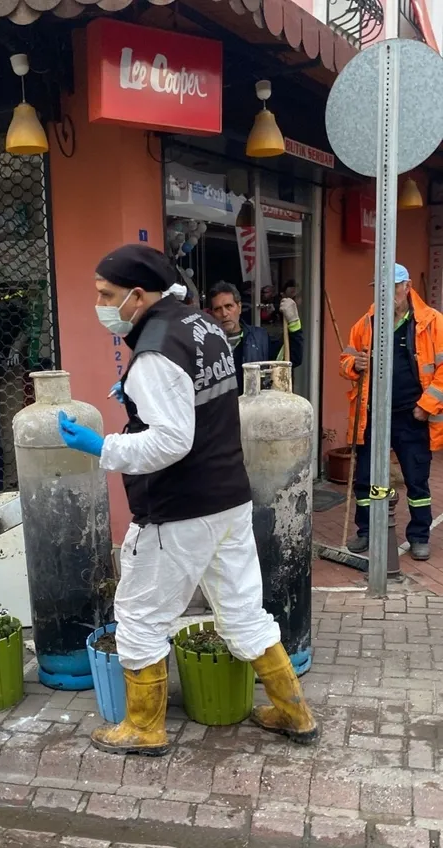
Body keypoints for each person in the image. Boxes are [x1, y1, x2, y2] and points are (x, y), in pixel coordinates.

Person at [58, 244, 317, 757]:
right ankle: (295, 713)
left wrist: (102, 446)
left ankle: (144, 726)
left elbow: (171, 440)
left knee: (138, 615)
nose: (100, 303)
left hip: (176, 512)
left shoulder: (155, 349)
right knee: (243, 609)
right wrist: (136, 393)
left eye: (106, 294)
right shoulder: (201, 326)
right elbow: (199, 396)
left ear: (137, 295)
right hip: (227, 497)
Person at [341, 264, 443, 562]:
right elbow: (345, 360)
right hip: (373, 414)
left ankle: (419, 536)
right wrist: (353, 365)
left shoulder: (432, 322)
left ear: (407, 286)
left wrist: (426, 407)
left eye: (393, 287)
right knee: (366, 477)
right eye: (380, 288)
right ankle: (366, 531)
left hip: (412, 416)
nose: (386, 294)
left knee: (416, 479)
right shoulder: (366, 323)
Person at [208, 281, 303, 394]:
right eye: (217, 309)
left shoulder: (259, 338)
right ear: (212, 313)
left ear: (239, 307)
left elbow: (292, 359)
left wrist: (294, 322)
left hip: (253, 409)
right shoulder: (207, 344)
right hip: (222, 410)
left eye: (229, 306)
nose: (224, 313)